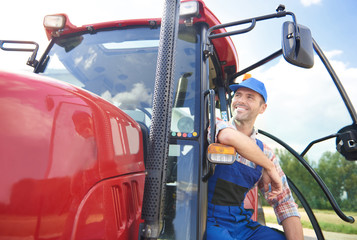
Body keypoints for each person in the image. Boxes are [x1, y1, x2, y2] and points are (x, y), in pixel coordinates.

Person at [206, 76, 304, 240]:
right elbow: (229, 137)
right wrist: (268, 167)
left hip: (240, 225)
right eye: (238, 95)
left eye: (249, 97)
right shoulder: (216, 125)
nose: (240, 100)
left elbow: (284, 202)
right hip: (207, 220)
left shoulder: (265, 152)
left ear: (262, 108)